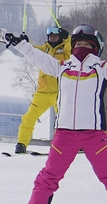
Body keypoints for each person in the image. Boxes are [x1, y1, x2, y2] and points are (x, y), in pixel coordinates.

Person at [3, 25, 107, 204]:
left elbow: (36, 57)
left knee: (49, 176)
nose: (80, 48)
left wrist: (18, 43)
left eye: (82, 44)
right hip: (92, 135)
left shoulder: (63, 67)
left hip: (67, 135)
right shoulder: (101, 68)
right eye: (78, 44)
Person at [13, 23, 68, 153]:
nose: (52, 38)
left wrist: (68, 38)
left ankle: (67, 144)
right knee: (28, 118)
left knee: (65, 120)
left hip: (59, 92)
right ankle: (21, 144)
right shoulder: (45, 50)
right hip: (42, 93)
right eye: (50, 35)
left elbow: (72, 52)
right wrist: (25, 43)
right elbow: (32, 52)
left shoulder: (65, 51)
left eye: (55, 35)